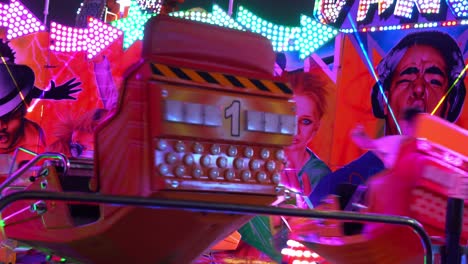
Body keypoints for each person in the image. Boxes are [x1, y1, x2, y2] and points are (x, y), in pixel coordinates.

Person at [309, 30, 467, 206]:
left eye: (434, 81)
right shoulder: (336, 185)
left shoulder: (459, 175)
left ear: (451, 104)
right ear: (383, 99)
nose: (419, 89)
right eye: (407, 78)